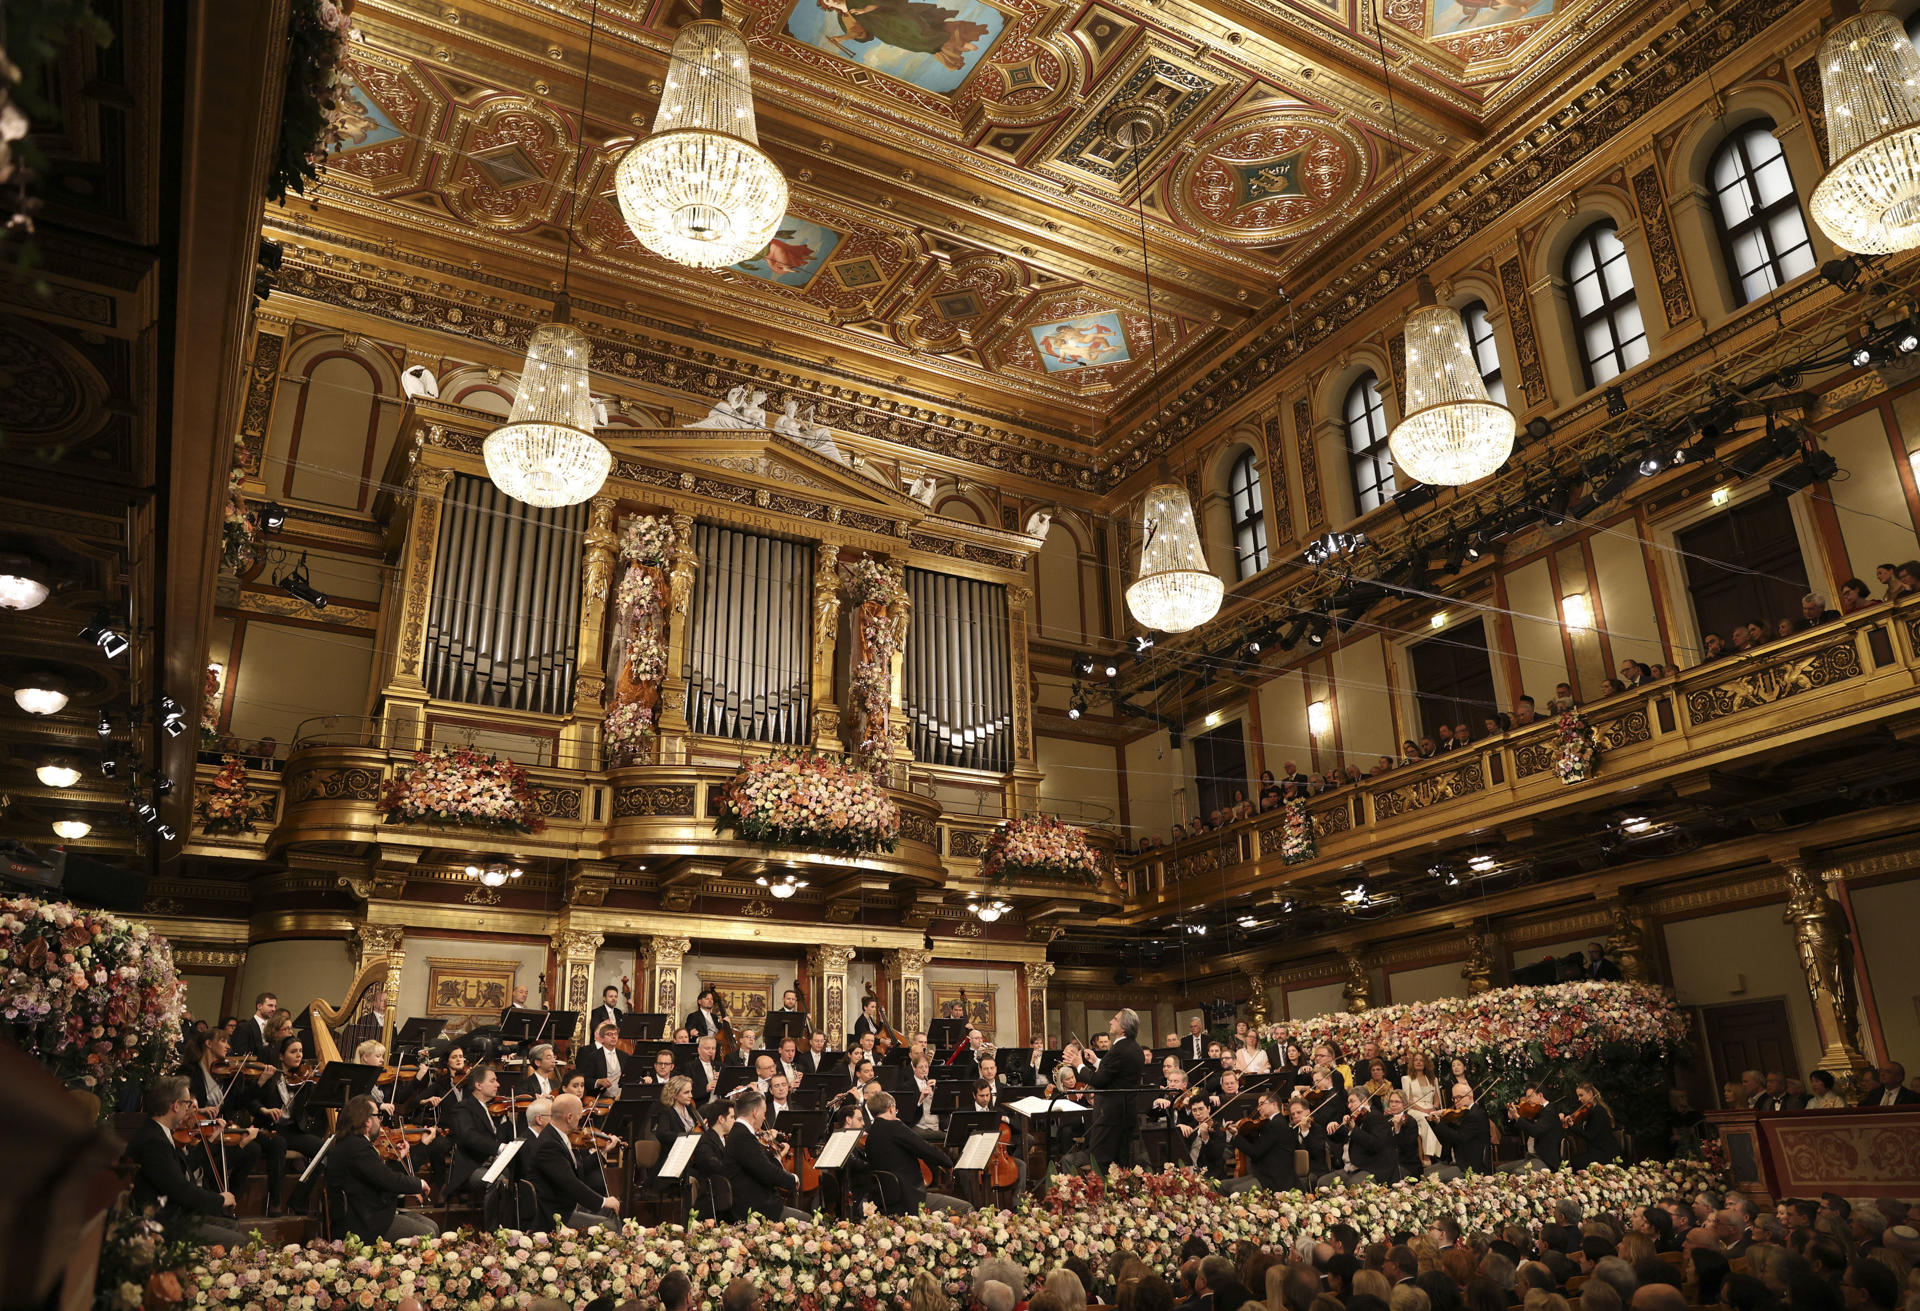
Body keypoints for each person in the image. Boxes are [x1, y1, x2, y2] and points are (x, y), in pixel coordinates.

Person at [128, 1077, 247, 1248]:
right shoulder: (154, 1141)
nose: (189, 1109)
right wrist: (220, 1200)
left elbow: (182, 1178)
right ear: (176, 1106)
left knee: (232, 1225)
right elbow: (180, 1189)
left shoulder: (159, 1134)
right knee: (237, 1241)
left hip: (174, 1215)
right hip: (163, 1223)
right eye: (187, 1103)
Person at [325, 1094, 437, 1242]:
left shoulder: (354, 1143)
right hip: (365, 1223)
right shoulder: (356, 1147)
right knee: (428, 1233)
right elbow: (388, 1180)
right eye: (378, 1116)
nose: (380, 1120)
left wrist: (401, 1157)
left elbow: (381, 1176)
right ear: (367, 1122)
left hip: (371, 1212)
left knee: (432, 1226)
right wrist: (419, 1184)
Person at [863, 1090, 973, 1213]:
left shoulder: (870, 1134)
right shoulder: (894, 1127)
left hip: (884, 1200)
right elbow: (925, 1148)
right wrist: (948, 1163)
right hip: (908, 1199)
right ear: (890, 1109)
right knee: (966, 1207)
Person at [529, 1093, 620, 1231]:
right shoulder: (548, 1144)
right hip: (556, 1215)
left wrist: (602, 1151)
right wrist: (603, 1201)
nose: (582, 1117)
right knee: (610, 1226)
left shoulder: (556, 1136)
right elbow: (570, 1183)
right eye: (580, 1113)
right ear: (569, 1117)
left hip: (567, 1206)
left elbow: (578, 1171)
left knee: (610, 1212)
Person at [724, 1089, 809, 1222]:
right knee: (808, 1220)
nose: (764, 1118)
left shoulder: (740, 1133)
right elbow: (766, 1172)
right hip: (754, 1208)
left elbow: (761, 1164)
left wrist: (778, 1155)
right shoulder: (744, 1137)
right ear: (755, 1112)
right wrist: (792, 1180)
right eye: (763, 1113)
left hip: (754, 1202)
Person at [1080, 1008, 1145, 1172]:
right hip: (1125, 1114)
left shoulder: (1118, 1049)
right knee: (1120, 1168)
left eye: (1115, 1019)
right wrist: (1096, 1061)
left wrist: (1078, 1065)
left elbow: (1099, 1080)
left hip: (1110, 1117)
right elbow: (1116, 1073)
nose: (1110, 1021)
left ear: (1123, 1027)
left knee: (1101, 1165)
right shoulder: (1135, 1048)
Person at [446, 1064, 510, 1196]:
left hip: (494, 1164)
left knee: (521, 1176)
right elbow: (469, 1136)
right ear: (478, 1085)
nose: (498, 1085)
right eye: (492, 1081)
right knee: (498, 1182)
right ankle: (493, 1217)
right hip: (473, 1167)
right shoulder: (463, 1108)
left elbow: (497, 1136)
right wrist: (500, 1147)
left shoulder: (489, 1108)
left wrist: (510, 1120)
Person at [1224, 1089, 1302, 1193]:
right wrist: (1241, 1131)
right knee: (1224, 1185)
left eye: (1261, 1104)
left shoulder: (1275, 1124)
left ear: (1274, 1105)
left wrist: (1237, 1135)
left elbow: (1255, 1152)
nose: (1258, 1108)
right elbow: (1258, 1143)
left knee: (1235, 1189)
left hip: (1274, 1180)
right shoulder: (1270, 1124)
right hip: (1264, 1175)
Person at [1430, 1083, 1492, 1174]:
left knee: (1432, 1176)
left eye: (1459, 1097)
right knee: (1427, 1171)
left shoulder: (1476, 1114)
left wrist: (1439, 1123)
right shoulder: (1462, 1114)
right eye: (1454, 1098)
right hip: (1456, 1163)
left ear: (1470, 1096)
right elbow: (1446, 1139)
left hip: (1469, 1166)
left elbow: (1459, 1138)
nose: (1456, 1101)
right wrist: (1438, 1120)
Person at [1562, 1083, 1621, 1167]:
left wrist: (1573, 1126)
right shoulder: (1590, 1111)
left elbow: (1590, 1136)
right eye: (1578, 1096)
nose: (1579, 1099)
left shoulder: (1598, 1111)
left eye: (1581, 1095)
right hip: (1596, 1150)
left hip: (1605, 1152)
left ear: (1590, 1093)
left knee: (1576, 1162)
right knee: (1575, 1160)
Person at [576, 1021, 627, 1098]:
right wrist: (598, 1082)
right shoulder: (593, 1056)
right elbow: (585, 1079)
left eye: (615, 1034)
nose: (613, 1037)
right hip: (601, 1099)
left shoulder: (624, 1056)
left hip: (621, 1098)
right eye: (609, 1034)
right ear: (602, 1038)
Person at [232, 991, 278, 1060]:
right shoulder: (244, 1027)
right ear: (259, 1006)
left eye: (275, 1006)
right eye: (270, 1005)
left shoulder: (274, 1028)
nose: (274, 1009)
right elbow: (240, 1054)